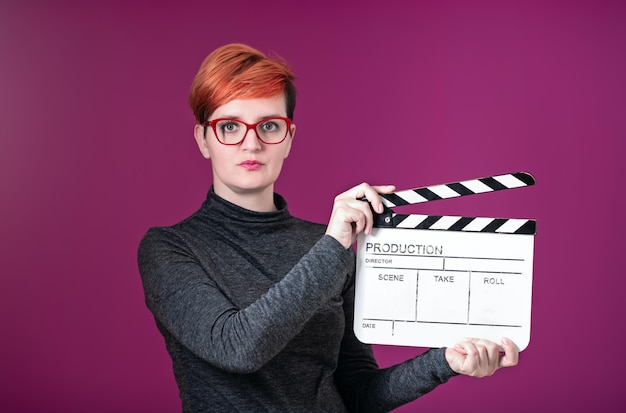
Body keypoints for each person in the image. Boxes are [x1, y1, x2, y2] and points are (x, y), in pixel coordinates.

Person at [137, 43, 519, 413]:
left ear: (288, 138)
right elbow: (239, 348)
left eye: (269, 125)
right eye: (229, 126)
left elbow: (358, 394)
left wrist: (445, 362)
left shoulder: (329, 248)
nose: (251, 143)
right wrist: (333, 244)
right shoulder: (170, 249)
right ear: (203, 139)